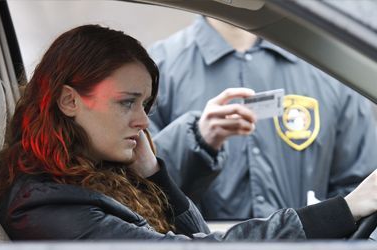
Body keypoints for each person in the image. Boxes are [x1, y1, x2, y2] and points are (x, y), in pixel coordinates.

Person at [0, 24, 377, 241]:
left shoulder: (84, 182)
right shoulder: (48, 206)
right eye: (127, 102)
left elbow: (196, 238)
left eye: (146, 105)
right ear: (69, 101)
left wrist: (156, 175)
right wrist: (345, 208)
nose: (143, 121)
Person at [147, 16, 377, 219]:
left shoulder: (326, 66)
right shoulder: (159, 68)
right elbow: (139, 187)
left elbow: (362, 185)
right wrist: (197, 141)